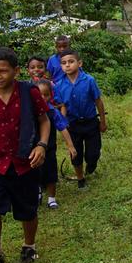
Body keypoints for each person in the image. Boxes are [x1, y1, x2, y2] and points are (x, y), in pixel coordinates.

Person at [0, 48, 52, 263]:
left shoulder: (30, 93)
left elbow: (44, 121)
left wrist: (42, 145)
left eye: (3, 71)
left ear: (16, 71)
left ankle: (29, 246)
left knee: (28, 209)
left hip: (26, 161)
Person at [55, 49, 108, 190]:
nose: (67, 65)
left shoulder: (89, 80)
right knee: (75, 154)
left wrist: (102, 121)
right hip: (73, 125)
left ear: (79, 63)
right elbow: (63, 106)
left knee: (93, 153)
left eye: (71, 62)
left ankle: (91, 165)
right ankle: (80, 178)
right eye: (64, 63)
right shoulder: (59, 85)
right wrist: (63, 124)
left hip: (91, 122)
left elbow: (98, 101)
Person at [34, 80, 77, 210]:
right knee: (34, 173)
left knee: (51, 173)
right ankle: (37, 194)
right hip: (32, 149)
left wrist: (70, 145)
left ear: (50, 96)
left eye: (45, 95)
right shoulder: (28, 111)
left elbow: (62, 128)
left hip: (50, 148)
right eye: (39, 95)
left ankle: (51, 199)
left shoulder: (53, 111)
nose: (42, 98)